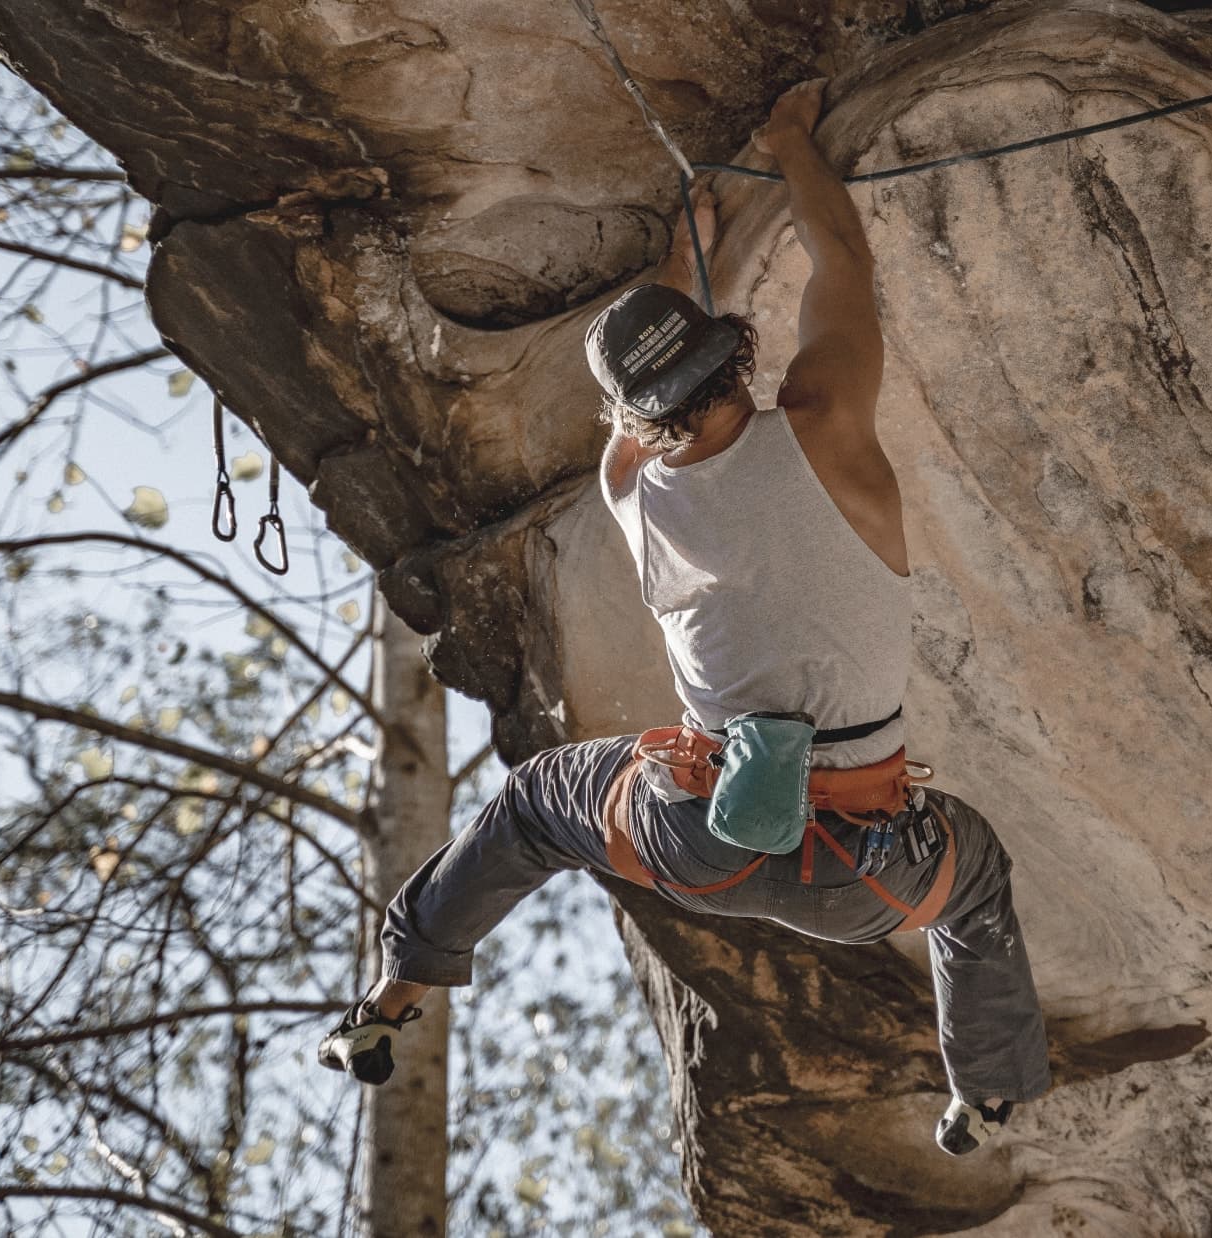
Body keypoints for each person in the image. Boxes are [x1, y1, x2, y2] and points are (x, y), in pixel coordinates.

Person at [319, 80, 1050, 1156]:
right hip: (858, 866)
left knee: (529, 806)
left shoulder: (628, 485)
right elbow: (840, 261)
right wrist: (792, 140)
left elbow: (629, 416)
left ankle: (391, 994)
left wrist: (678, 250)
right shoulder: (826, 424)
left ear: (632, 420)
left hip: (691, 836)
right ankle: (981, 1091)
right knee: (971, 880)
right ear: (733, 353)